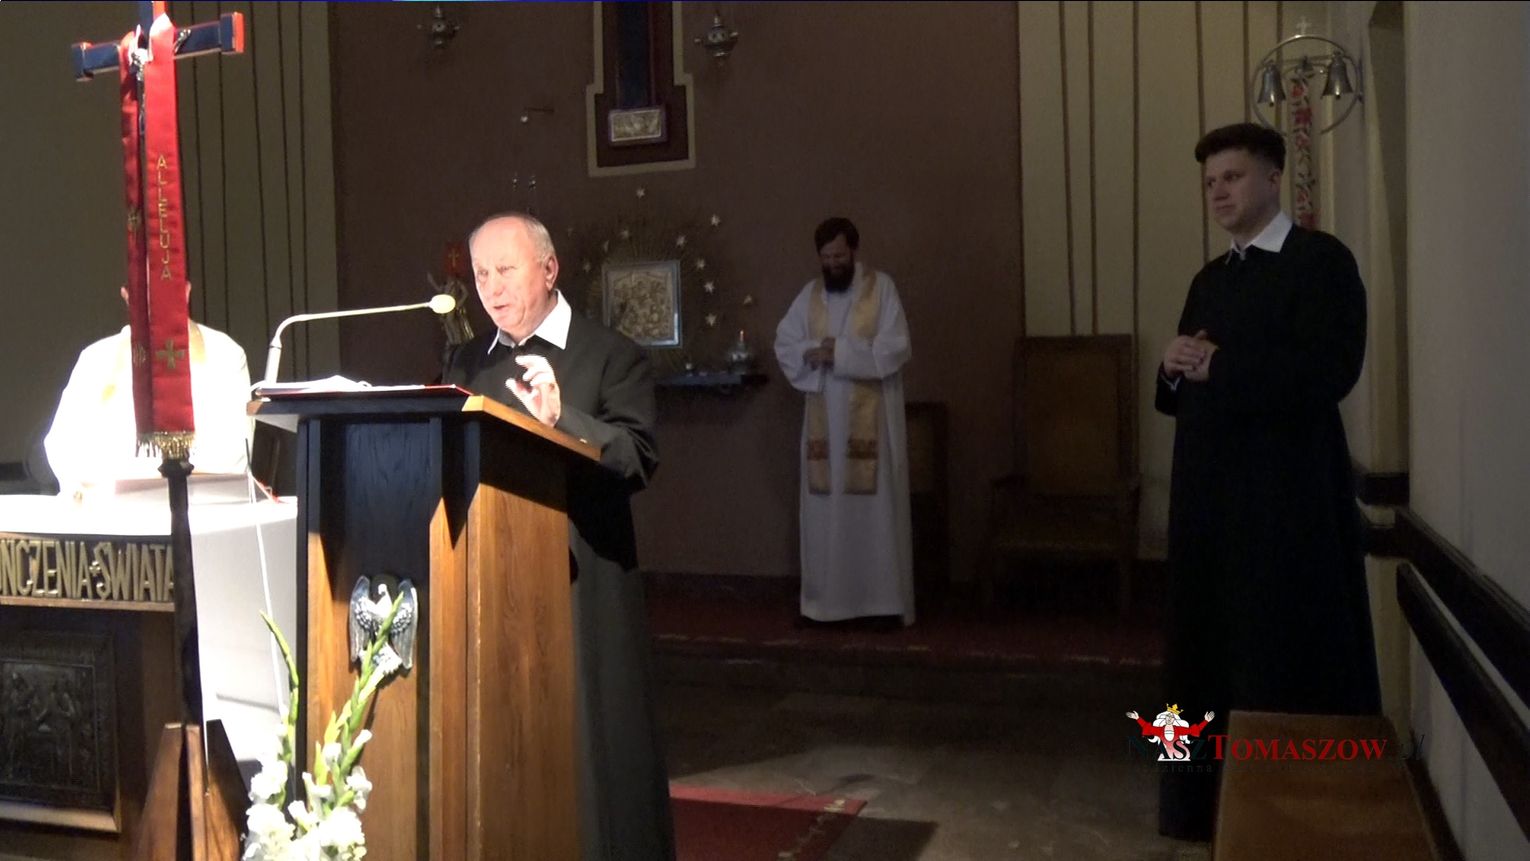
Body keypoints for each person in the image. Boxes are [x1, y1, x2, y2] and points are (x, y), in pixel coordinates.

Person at [1154, 122, 1381, 840]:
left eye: (1233, 176)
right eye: (1210, 182)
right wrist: (1171, 365)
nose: (1219, 192)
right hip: (1206, 509)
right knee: (1198, 659)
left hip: (1285, 508)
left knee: (1283, 661)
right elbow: (1181, 389)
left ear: (1275, 177)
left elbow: (1329, 371)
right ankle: (1193, 813)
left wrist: (1218, 367)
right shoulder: (1209, 279)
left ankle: (1289, 822)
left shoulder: (1320, 262)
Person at [442, 213, 673, 861]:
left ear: (549, 270)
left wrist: (562, 420)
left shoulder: (611, 354)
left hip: (583, 577)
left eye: (505, 270)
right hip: (491, 576)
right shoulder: (466, 361)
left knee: (588, 740)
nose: (491, 288)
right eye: (481, 274)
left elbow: (638, 456)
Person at [773, 217, 915, 629]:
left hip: (871, 422)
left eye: (839, 256)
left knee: (873, 513)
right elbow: (785, 343)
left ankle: (879, 604)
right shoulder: (810, 295)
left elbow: (896, 346)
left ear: (853, 251)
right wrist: (813, 351)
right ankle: (826, 606)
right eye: (826, 257)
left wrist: (840, 354)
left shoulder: (881, 289)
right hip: (825, 423)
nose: (832, 264)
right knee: (825, 513)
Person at [43, 283, 252, 496]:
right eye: (144, 295)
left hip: (203, 505)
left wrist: (143, 480)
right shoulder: (96, 358)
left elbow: (232, 455)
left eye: (166, 291)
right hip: (109, 507)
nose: (156, 304)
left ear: (186, 292)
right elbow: (64, 447)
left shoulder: (224, 354)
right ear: (127, 296)